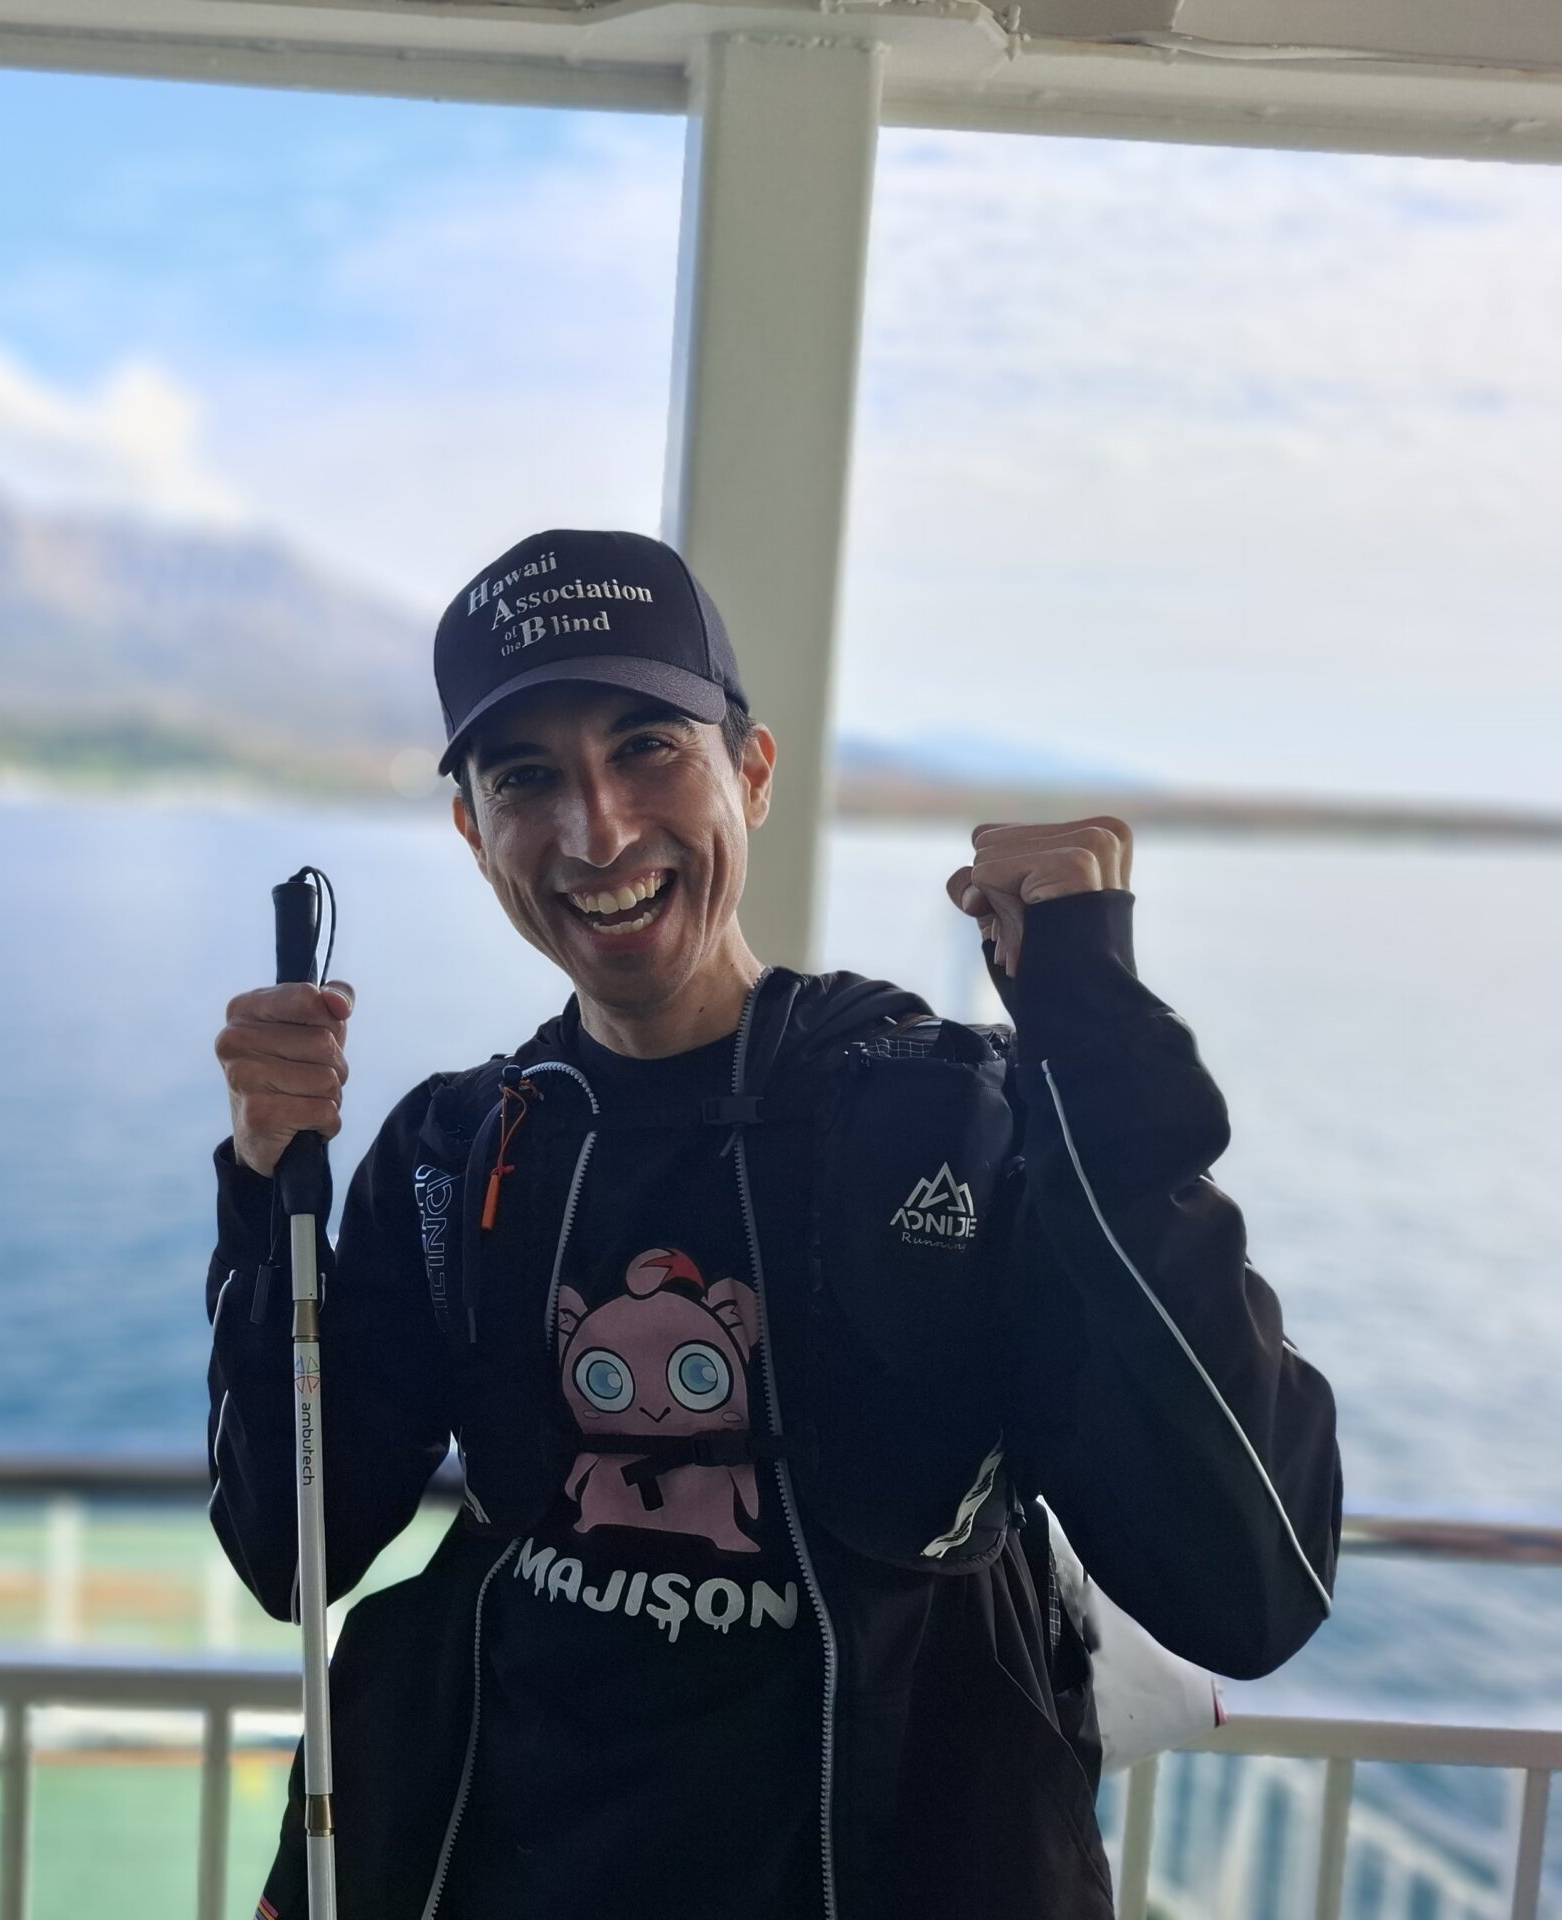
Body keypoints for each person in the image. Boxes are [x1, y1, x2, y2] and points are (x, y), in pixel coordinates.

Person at [205, 528, 1342, 1920]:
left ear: (750, 771)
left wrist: (1105, 1076)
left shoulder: (960, 1118)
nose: (597, 833)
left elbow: (1250, 1586)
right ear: (473, 831)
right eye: (526, 778)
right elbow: (288, 1548)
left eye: (646, 749)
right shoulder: (459, 1154)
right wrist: (263, 1189)